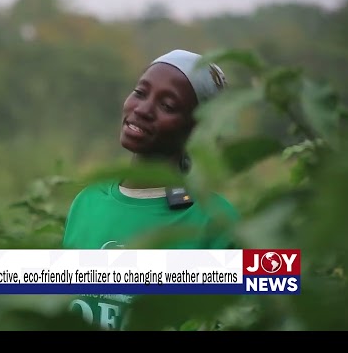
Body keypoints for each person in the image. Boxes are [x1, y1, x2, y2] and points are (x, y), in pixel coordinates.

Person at [61, 49, 240, 331]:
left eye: (167, 106)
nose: (142, 109)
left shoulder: (214, 219)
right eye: (140, 92)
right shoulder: (87, 203)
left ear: (197, 129)